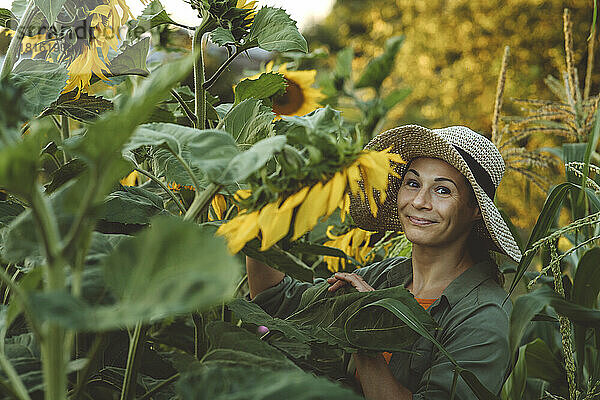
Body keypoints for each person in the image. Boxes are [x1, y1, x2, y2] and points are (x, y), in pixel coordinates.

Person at [246, 125, 522, 400]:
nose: (419, 201)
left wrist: (365, 335)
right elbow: (280, 302)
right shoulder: (382, 277)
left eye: (442, 191)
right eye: (413, 183)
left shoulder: (485, 316)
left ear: (475, 210)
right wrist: (260, 218)